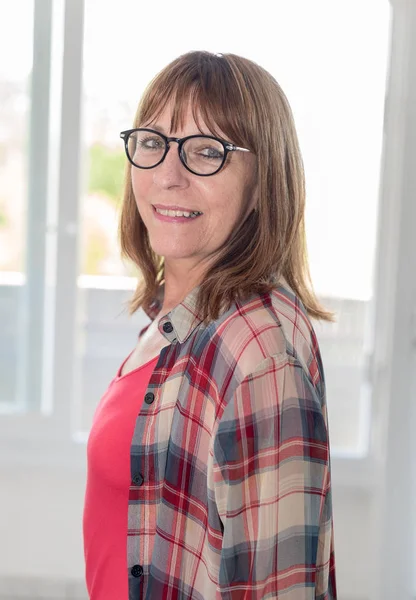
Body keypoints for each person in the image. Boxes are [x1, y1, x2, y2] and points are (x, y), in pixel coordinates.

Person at [83, 50, 337, 600]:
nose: (168, 176)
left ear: (261, 184)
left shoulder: (257, 353)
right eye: (153, 143)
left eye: (207, 152)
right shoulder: (176, 320)